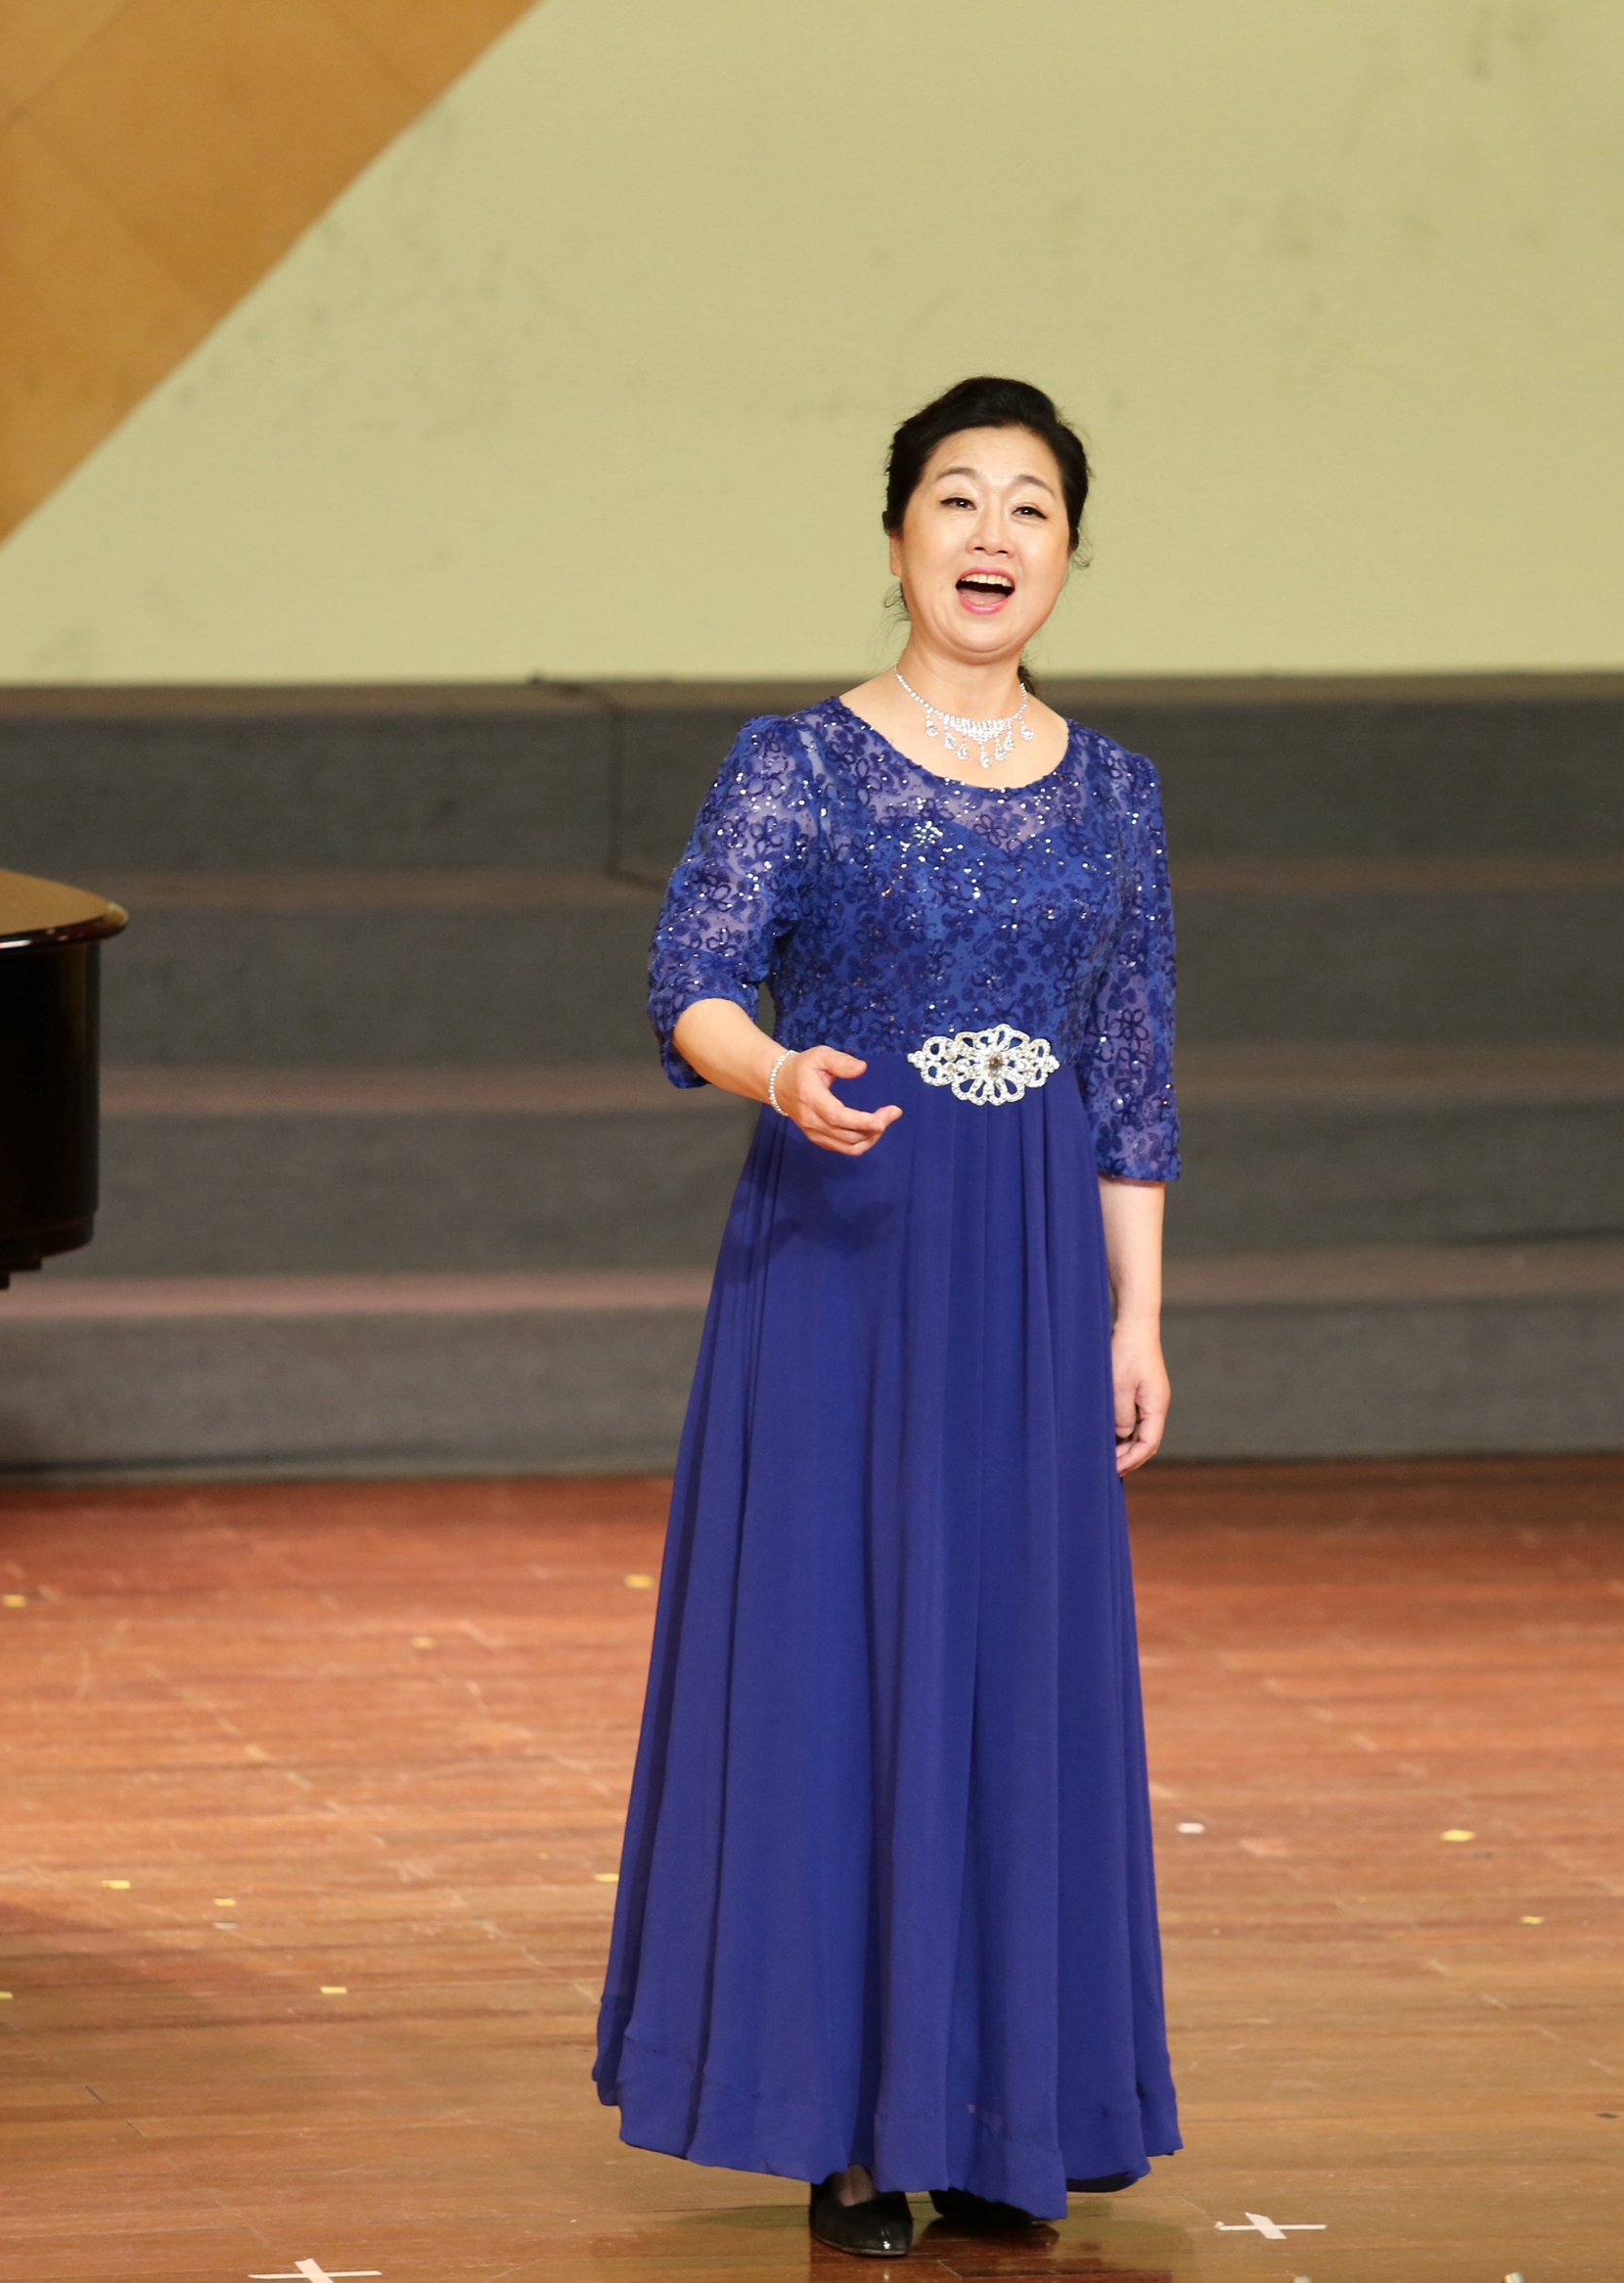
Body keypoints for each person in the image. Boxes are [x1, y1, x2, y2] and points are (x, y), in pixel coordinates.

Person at [592, 376, 1184, 2259]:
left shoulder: (1119, 793)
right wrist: (777, 1072)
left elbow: (1132, 1076)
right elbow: (691, 977)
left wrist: (1138, 1319)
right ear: (898, 534)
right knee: (843, 1665)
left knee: (1013, 1661)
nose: (993, 535)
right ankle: (849, 2126)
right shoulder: (800, 764)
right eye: (957, 498)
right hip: (848, 1254)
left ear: (1071, 553)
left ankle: (1002, 2117)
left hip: (1031, 1272)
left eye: (1031, 506)